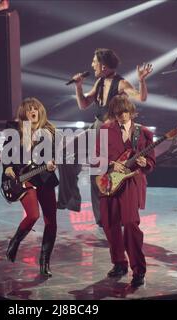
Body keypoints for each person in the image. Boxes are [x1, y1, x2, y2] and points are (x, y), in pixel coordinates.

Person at [58, 48, 152, 226]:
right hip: (96, 127)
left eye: (94, 62)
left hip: (110, 134)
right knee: (65, 154)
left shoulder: (121, 83)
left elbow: (141, 97)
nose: (92, 65)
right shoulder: (100, 82)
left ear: (103, 65)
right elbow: (84, 104)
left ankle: (103, 219)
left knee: (98, 174)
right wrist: (78, 87)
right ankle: (70, 199)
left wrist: (141, 80)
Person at [96, 94, 155, 287]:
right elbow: (95, 158)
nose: (123, 116)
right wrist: (112, 164)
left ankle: (138, 270)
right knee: (110, 224)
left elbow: (151, 162)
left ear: (131, 111)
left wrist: (145, 162)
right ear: (113, 114)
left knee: (130, 223)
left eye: (125, 112)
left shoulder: (144, 132)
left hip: (131, 183)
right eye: (118, 113)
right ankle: (119, 263)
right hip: (109, 182)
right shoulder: (105, 130)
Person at [2, 97, 58, 277]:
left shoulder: (49, 131)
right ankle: (15, 241)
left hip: (43, 177)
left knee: (51, 221)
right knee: (33, 215)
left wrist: (51, 163)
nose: (33, 112)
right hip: (23, 178)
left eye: (36, 109)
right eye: (29, 110)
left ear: (40, 111)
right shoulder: (15, 130)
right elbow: (5, 154)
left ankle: (44, 262)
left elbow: (54, 155)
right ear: (24, 114)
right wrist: (8, 167)